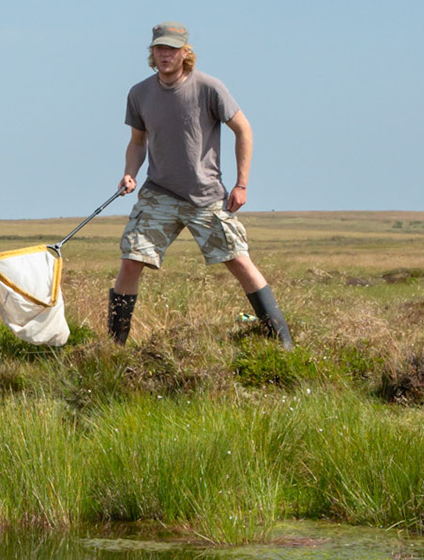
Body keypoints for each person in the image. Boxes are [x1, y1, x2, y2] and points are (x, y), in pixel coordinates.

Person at [108, 23, 291, 350]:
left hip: (206, 196)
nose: (165, 54)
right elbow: (137, 142)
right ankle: (113, 348)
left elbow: (244, 130)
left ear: (185, 52)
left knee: (238, 260)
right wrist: (129, 173)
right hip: (159, 193)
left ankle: (282, 343)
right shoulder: (139, 93)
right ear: (151, 52)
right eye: (159, 49)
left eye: (172, 49)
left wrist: (241, 184)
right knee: (131, 259)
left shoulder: (209, 87)